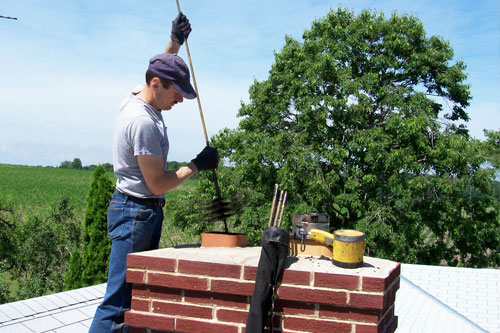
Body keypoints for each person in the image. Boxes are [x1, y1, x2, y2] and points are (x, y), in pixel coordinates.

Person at [89, 13, 218, 332]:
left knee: (132, 297)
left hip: (136, 211)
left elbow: (159, 69)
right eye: (177, 93)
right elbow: (158, 183)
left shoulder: (138, 95)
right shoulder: (143, 123)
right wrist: (197, 164)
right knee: (118, 304)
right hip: (135, 215)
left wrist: (175, 41)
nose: (180, 99)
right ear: (157, 86)